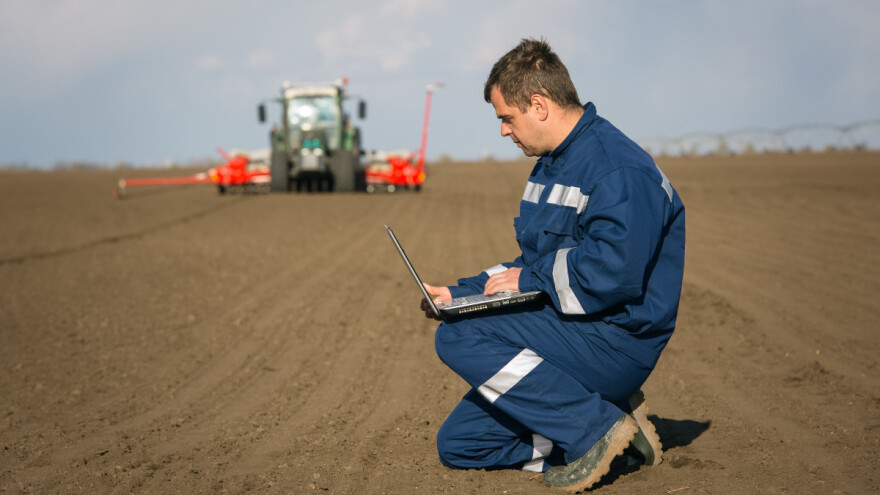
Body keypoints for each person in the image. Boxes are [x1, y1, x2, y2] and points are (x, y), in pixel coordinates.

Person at [420, 38, 686, 492]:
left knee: (459, 334)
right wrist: (460, 293)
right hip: (571, 328)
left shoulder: (615, 169)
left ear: (538, 105)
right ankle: (612, 426)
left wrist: (529, 278)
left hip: (613, 342)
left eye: (507, 117)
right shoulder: (552, 166)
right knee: (461, 444)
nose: (504, 131)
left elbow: (611, 272)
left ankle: (594, 430)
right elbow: (531, 263)